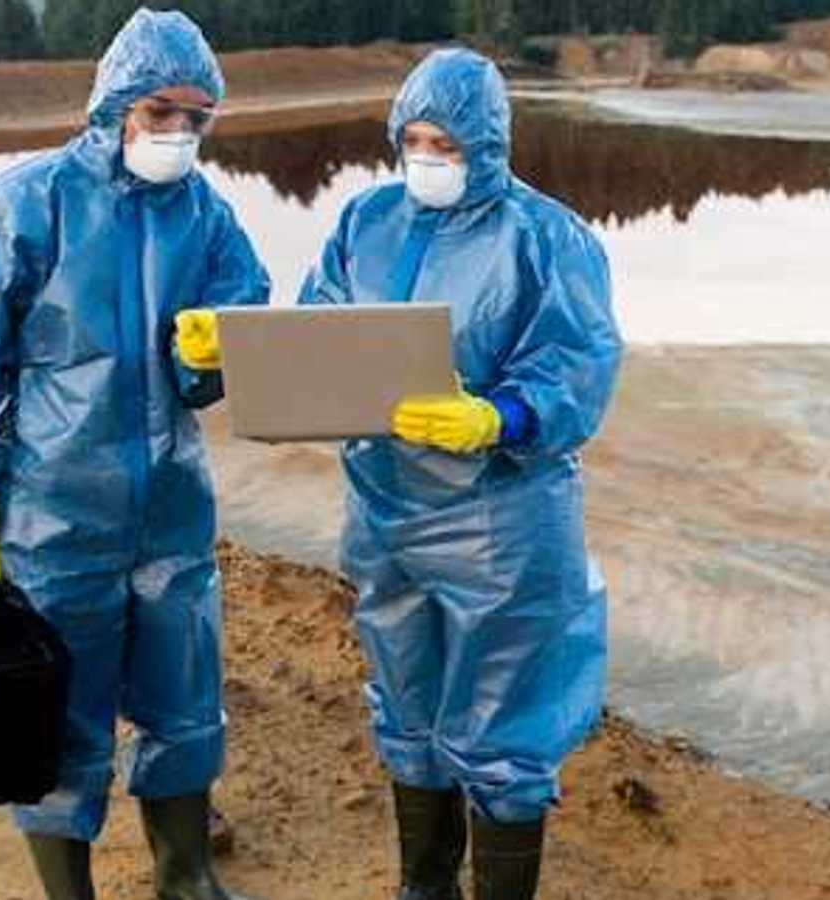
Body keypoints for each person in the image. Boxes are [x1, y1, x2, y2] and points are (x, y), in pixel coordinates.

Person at [0, 10, 266, 899]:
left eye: (196, 118)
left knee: (184, 704)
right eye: (162, 111)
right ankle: (70, 891)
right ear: (116, 105)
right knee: (61, 719)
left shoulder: (206, 214)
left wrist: (208, 355)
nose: (178, 133)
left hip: (171, 512)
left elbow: (242, 322)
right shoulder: (26, 204)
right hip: (55, 514)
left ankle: (186, 876)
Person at [298, 48, 624, 900]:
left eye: (445, 142)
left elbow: (579, 365)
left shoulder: (545, 237)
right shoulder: (365, 221)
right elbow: (316, 331)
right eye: (412, 140)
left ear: (487, 144)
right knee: (405, 704)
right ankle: (425, 888)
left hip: (501, 519)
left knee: (504, 729)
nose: (426, 158)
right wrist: (244, 349)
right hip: (384, 505)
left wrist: (501, 416)